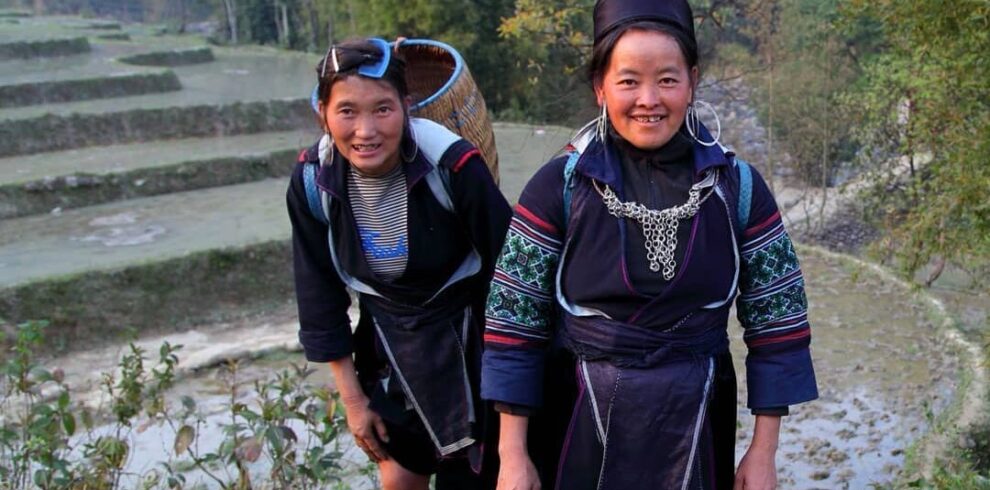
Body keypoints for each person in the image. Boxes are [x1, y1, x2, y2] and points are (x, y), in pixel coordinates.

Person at [481, 1, 818, 489]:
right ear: (600, 87)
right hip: (577, 417)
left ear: (692, 82)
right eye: (628, 81)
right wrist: (513, 455)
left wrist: (763, 453)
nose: (648, 99)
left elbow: (778, 322)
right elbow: (514, 323)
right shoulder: (558, 187)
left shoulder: (738, 188)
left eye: (667, 79)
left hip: (698, 417)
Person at [287, 37, 511, 489]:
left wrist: (515, 402)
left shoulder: (453, 164)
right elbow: (319, 295)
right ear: (323, 113)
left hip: (473, 350)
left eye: (383, 109)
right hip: (389, 355)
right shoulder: (314, 180)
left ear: (406, 107)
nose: (366, 131)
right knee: (397, 475)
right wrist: (353, 400)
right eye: (347, 111)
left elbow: (513, 278)